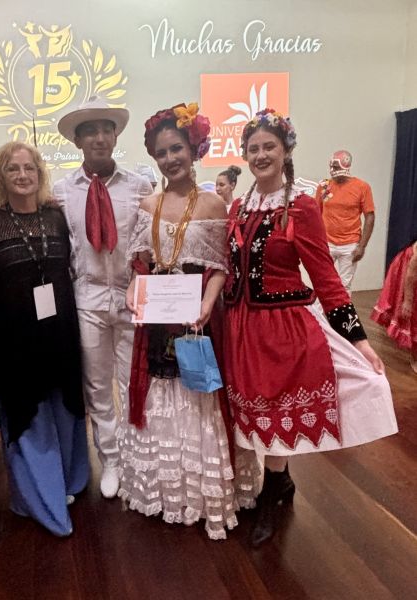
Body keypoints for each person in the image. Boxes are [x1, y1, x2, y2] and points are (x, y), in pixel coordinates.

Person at [222, 108, 398, 547]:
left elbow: (326, 279)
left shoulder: (301, 207)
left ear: (286, 151)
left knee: (276, 409)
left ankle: (272, 492)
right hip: (242, 327)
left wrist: (360, 341)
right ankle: (279, 484)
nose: (260, 155)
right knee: (254, 412)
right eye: (253, 148)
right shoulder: (239, 207)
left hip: (282, 328)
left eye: (269, 146)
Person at [119, 103, 257, 540]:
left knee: (198, 392)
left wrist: (207, 303)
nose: (170, 159)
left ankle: (202, 493)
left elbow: (220, 267)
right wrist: (132, 288)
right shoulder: (148, 204)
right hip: (158, 320)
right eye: (161, 153)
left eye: (176, 149)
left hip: (198, 319)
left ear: (193, 149)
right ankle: (164, 491)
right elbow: (141, 264)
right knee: (159, 389)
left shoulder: (214, 204)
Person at [0, 141, 89, 536]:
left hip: (60, 333)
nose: (22, 175)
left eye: (29, 168)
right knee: (29, 415)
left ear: (40, 173)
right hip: (16, 340)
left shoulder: (56, 217)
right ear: (0, 176)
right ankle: (42, 500)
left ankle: (70, 481)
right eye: (13, 169)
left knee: (64, 408)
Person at [53, 96, 153, 498]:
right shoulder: (62, 191)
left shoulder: (139, 186)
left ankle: (135, 454)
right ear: (77, 141)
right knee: (97, 386)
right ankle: (109, 458)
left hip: (132, 296)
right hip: (88, 297)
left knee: (133, 381)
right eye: (90, 131)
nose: (99, 138)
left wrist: (141, 282)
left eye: (105, 130)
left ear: (115, 136)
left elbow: (148, 243)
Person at [315, 150, 375, 292]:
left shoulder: (362, 187)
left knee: (344, 285)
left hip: (350, 244)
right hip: (327, 242)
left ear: (346, 165)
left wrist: (362, 246)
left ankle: (341, 308)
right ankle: (318, 308)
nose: (332, 170)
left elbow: (370, 216)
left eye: (335, 167)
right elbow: (316, 213)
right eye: (331, 166)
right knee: (322, 281)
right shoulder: (324, 185)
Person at [372, 239, 417, 373]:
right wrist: (407, 301)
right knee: (413, 315)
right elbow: (410, 276)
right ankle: (415, 358)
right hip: (407, 271)